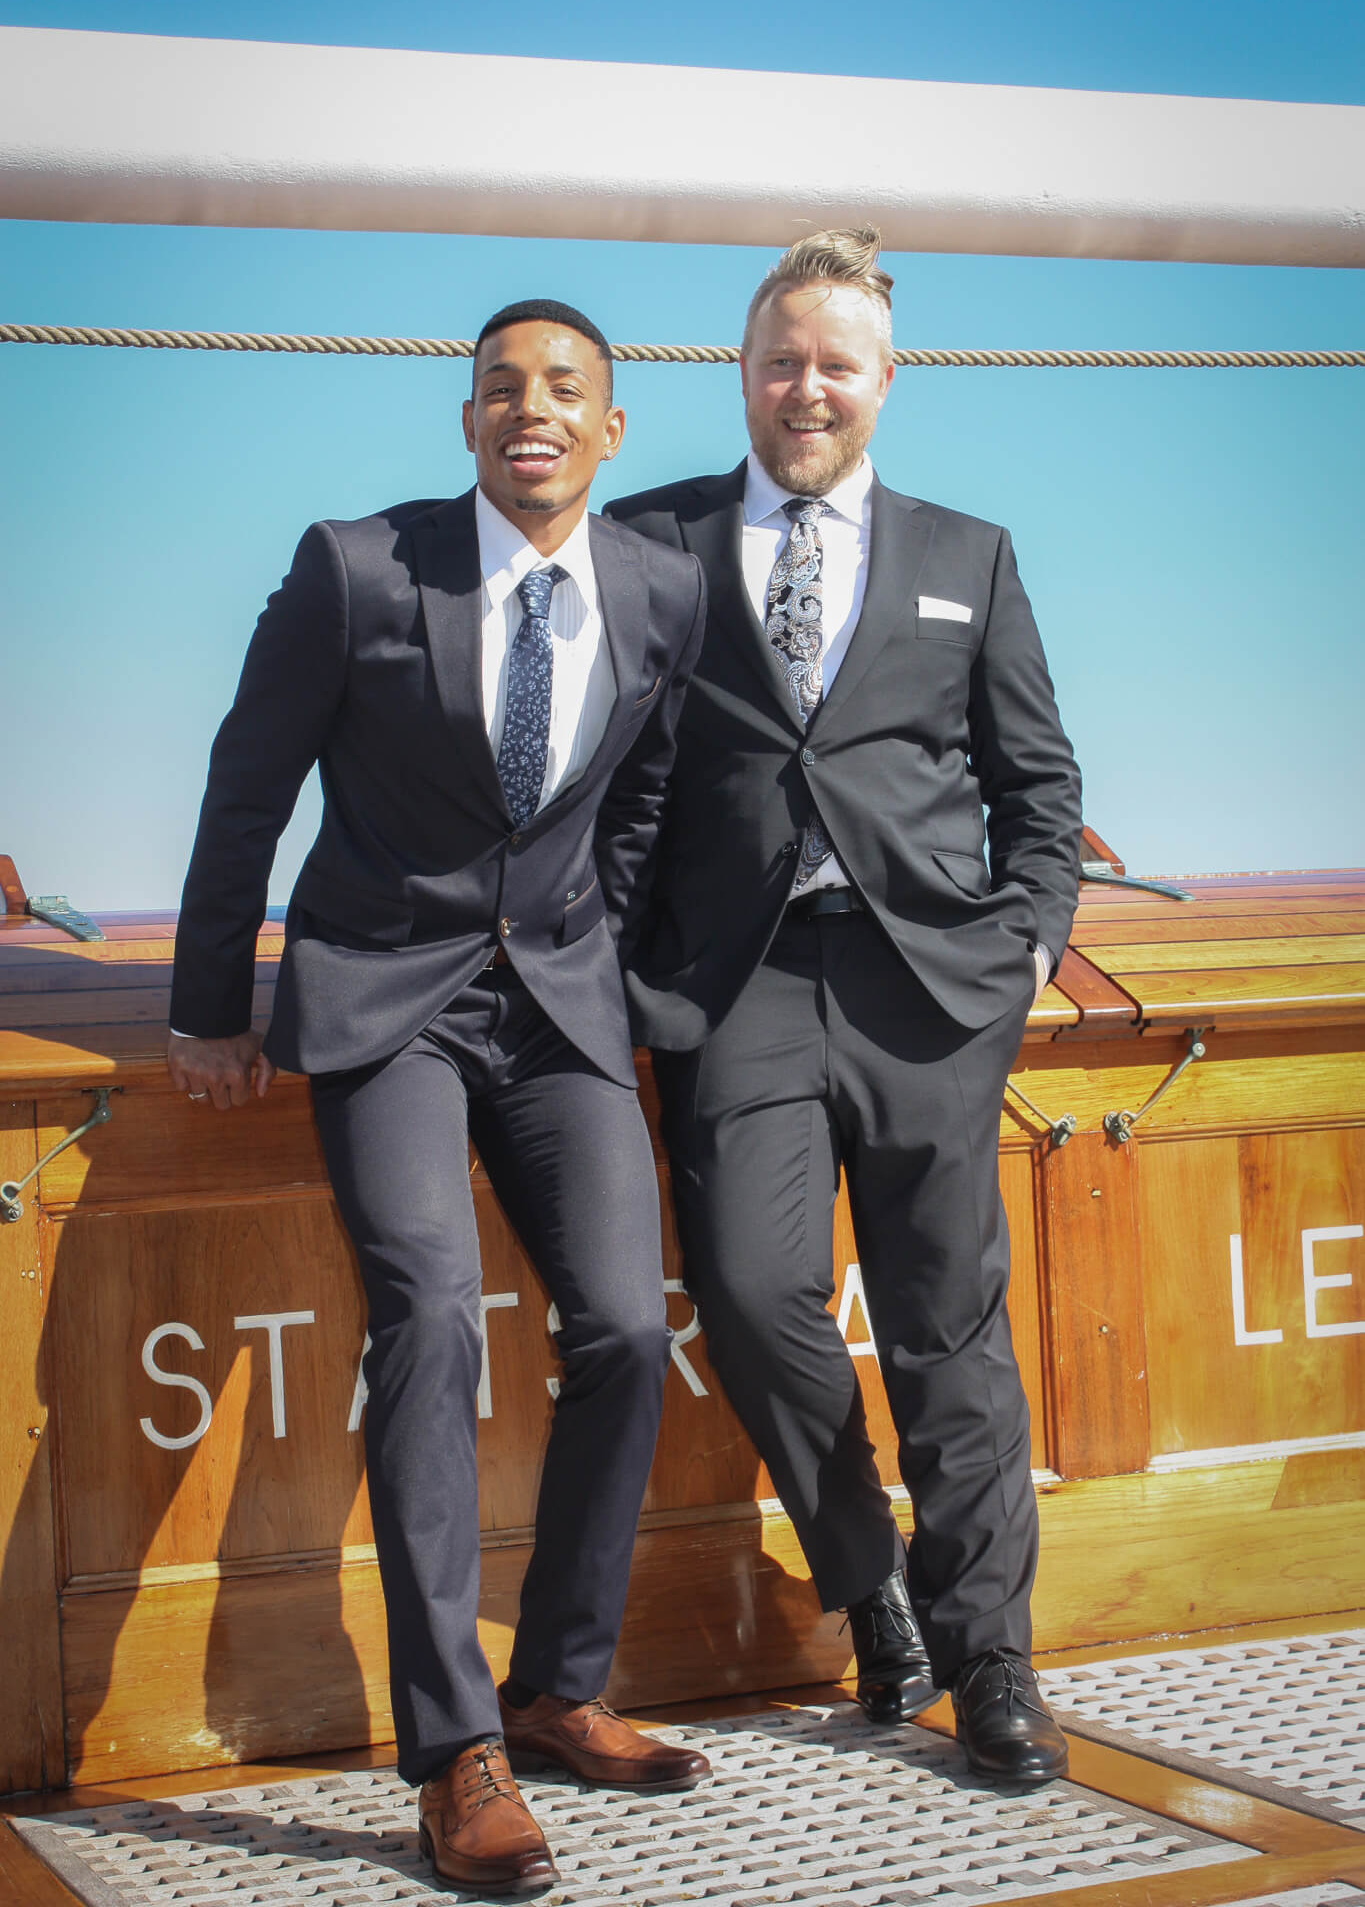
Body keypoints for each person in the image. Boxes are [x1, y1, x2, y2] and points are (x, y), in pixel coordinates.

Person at [167, 300, 709, 1895]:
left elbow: (648, 793)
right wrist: (208, 1008)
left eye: (562, 392)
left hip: (556, 1006)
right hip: (379, 1000)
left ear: (610, 431)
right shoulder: (358, 566)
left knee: (622, 1324)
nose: (527, 411)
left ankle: (557, 1686)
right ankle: (452, 1749)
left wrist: (594, 947)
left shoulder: (657, 590)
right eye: (497, 391)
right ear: (465, 423)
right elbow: (245, 786)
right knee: (431, 1318)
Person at [605, 231, 1083, 1784]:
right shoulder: (645, 540)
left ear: (884, 379)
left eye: (836, 363)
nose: (805, 387)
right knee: (748, 1293)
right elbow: (601, 779)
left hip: (930, 989)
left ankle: (990, 1651)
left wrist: (1022, 951)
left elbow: (1037, 780)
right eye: (780, 359)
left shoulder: (971, 553)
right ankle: (865, 1574)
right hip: (730, 986)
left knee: (952, 1331)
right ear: (741, 371)